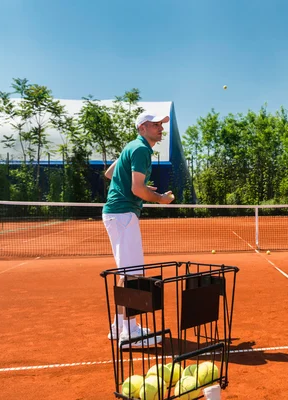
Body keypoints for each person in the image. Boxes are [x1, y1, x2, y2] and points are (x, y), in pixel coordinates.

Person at [102, 111, 175, 348]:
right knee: (133, 275)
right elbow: (136, 189)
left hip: (117, 214)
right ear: (142, 128)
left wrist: (143, 187)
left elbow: (110, 174)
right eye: (155, 125)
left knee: (127, 273)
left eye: (161, 125)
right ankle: (130, 334)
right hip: (123, 215)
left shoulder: (131, 146)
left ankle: (119, 326)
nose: (160, 129)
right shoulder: (142, 149)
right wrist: (159, 198)